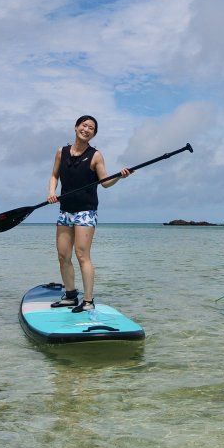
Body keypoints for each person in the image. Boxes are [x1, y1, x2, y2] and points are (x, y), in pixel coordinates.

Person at [46, 115, 132, 313]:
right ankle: (70, 296)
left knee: (82, 255)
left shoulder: (96, 156)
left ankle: (88, 300)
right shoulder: (62, 151)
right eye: (84, 125)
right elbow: (54, 175)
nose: (87, 129)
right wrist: (51, 192)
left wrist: (119, 176)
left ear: (93, 134)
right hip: (65, 209)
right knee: (63, 255)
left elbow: (105, 182)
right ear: (76, 127)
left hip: (86, 210)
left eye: (91, 128)